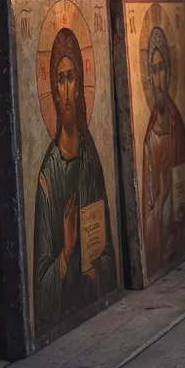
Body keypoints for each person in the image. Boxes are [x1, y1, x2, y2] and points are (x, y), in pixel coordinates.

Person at [32, 27, 116, 334]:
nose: (66, 88)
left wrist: (95, 260)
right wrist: (67, 252)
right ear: (52, 89)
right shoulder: (47, 176)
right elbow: (41, 287)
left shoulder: (91, 159)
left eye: (71, 78)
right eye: (60, 78)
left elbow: (109, 254)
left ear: (80, 85)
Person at [139, 26, 185, 276]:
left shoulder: (177, 123)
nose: (158, 76)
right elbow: (147, 213)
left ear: (169, 71)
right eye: (153, 68)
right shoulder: (149, 134)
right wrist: (162, 194)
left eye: (162, 68)